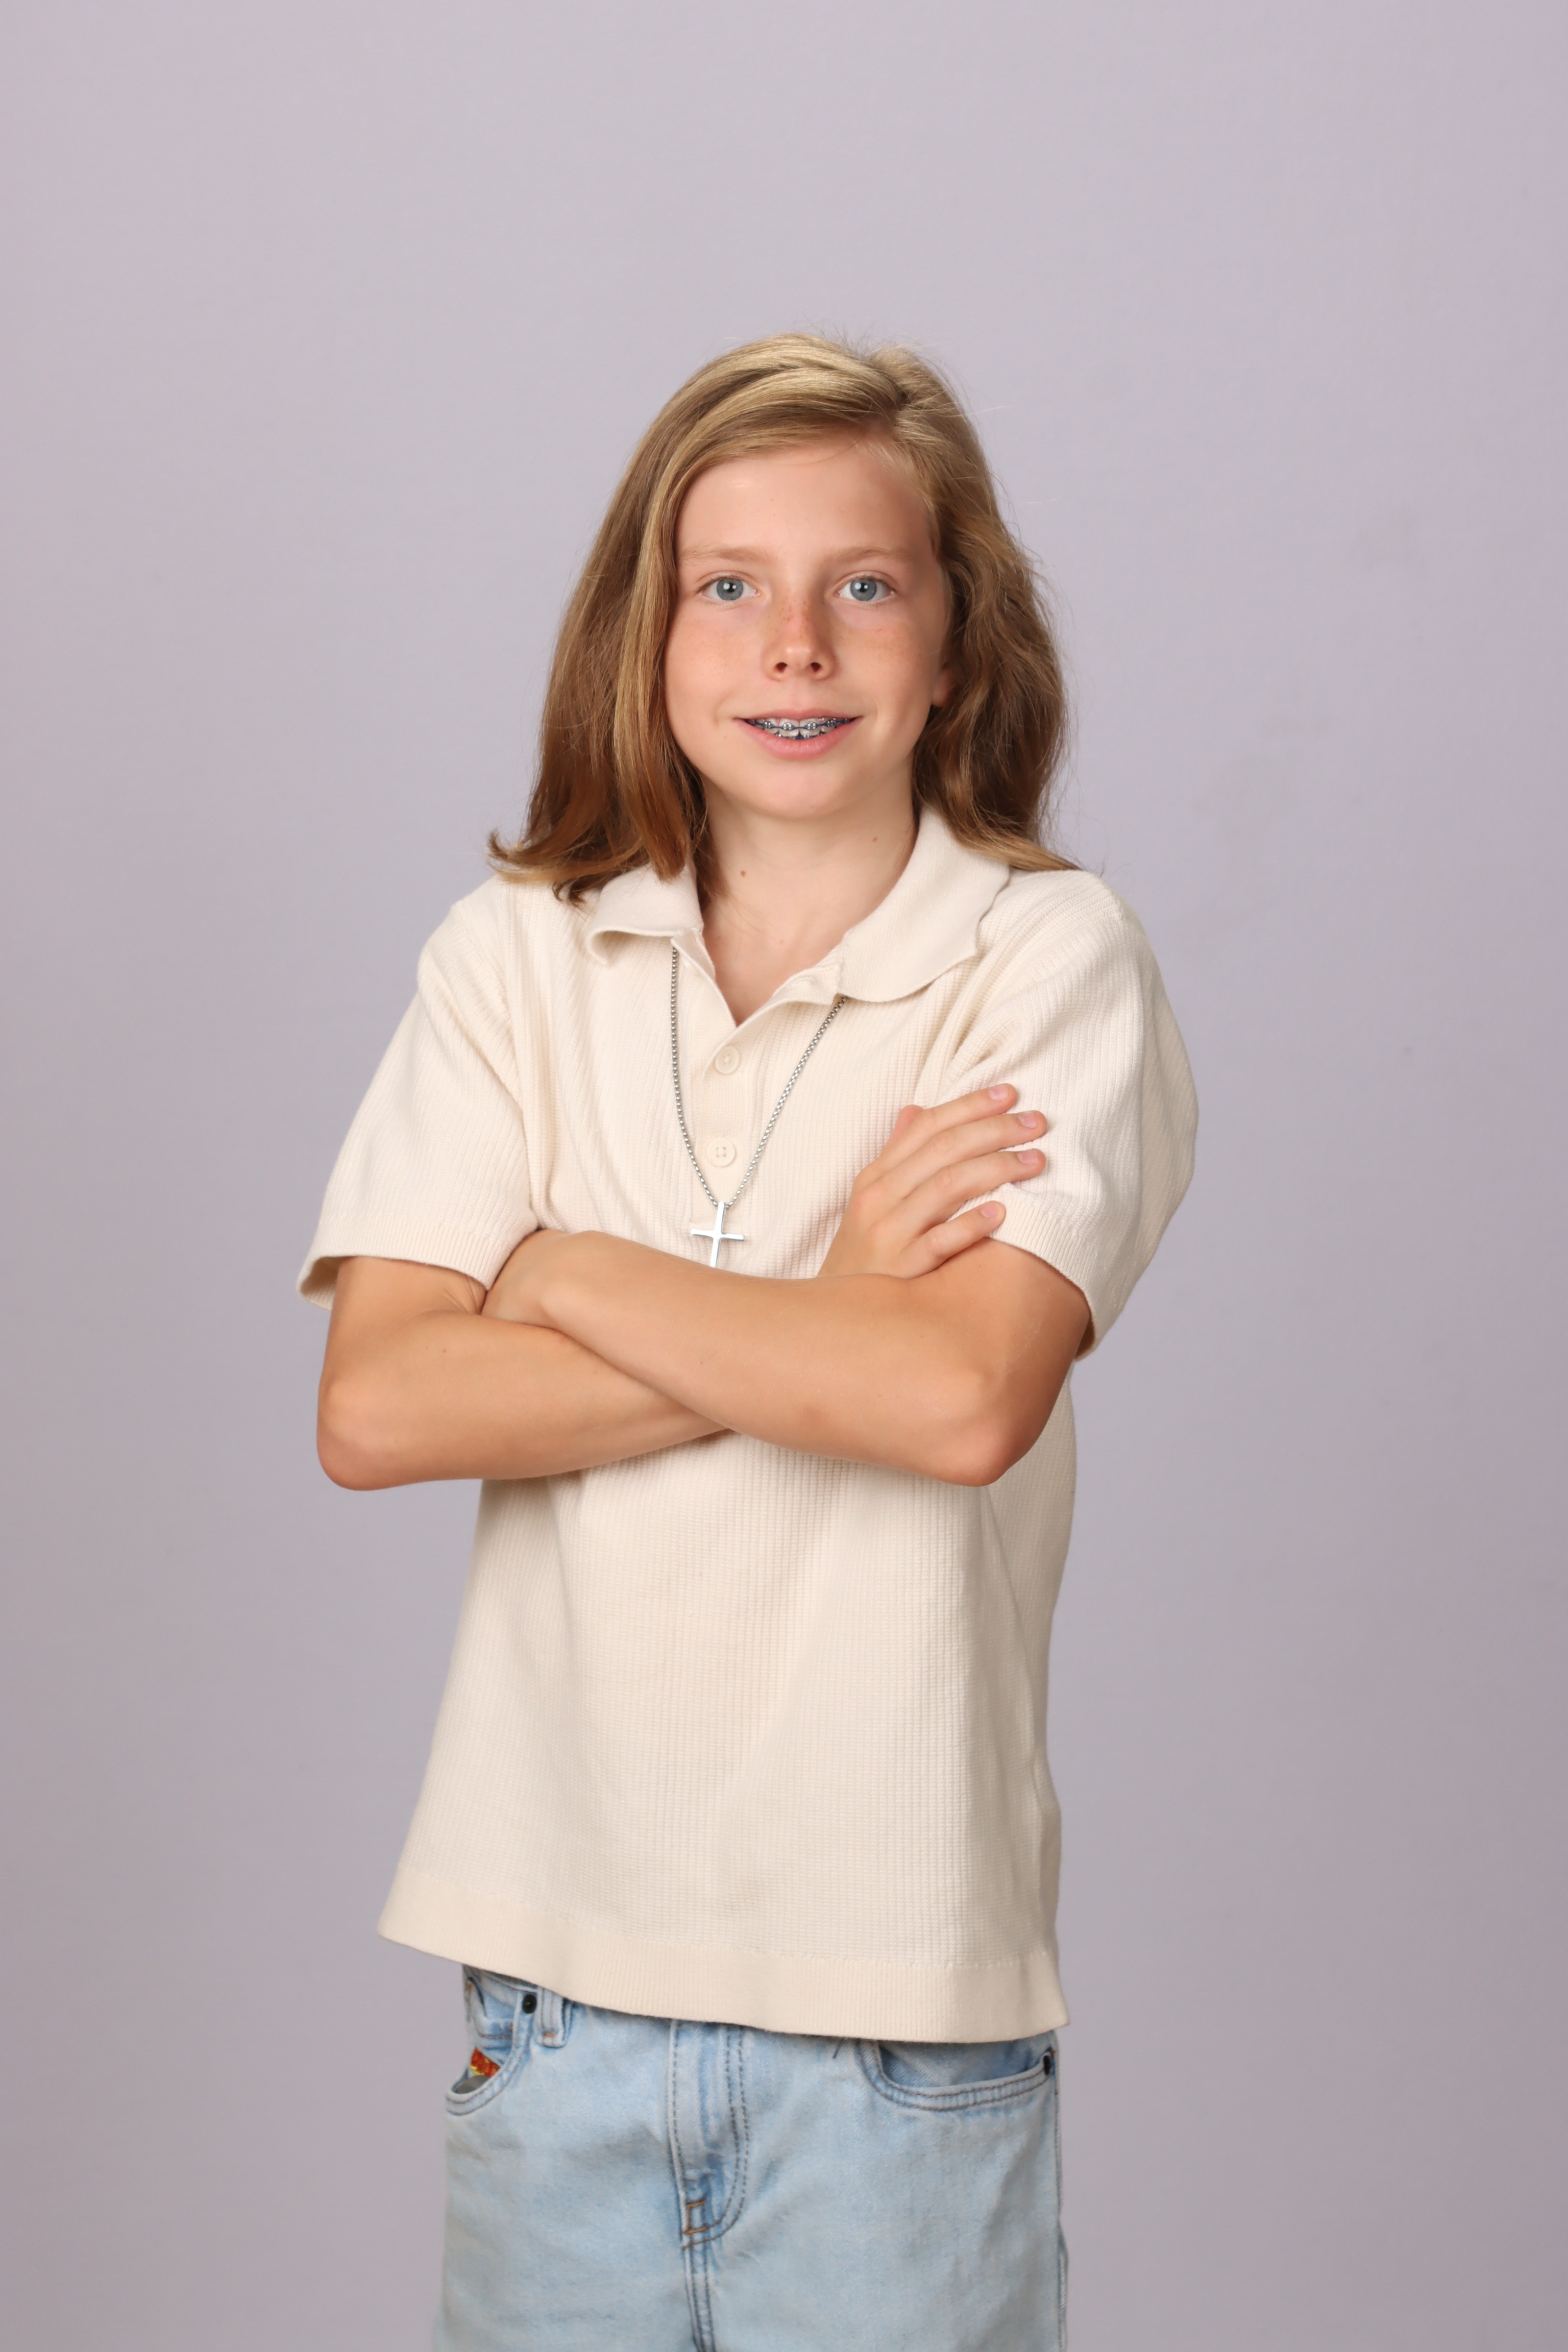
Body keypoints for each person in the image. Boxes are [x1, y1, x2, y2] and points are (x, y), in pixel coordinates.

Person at [300, 332, 1196, 2351]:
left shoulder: (1045, 959)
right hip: (549, 2002)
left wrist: (556, 1264)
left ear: (956, 646)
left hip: (892, 2012)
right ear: (648, 633)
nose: (796, 644)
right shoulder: (514, 954)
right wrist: (829, 1307)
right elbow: (380, 1405)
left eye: (864, 583)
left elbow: (953, 1396)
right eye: (729, 585)